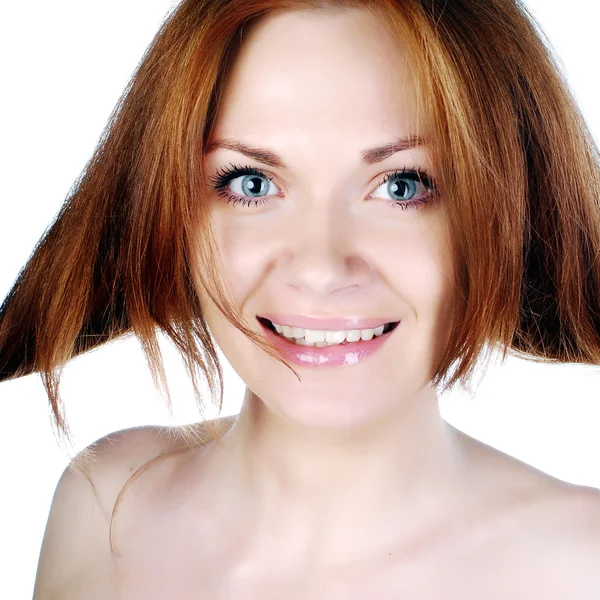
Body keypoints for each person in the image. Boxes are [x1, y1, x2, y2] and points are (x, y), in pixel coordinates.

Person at [1, 0, 599, 597]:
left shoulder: (581, 566)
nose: (320, 267)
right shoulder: (107, 508)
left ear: (508, 213)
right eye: (251, 184)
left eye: (402, 185)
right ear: (169, 213)